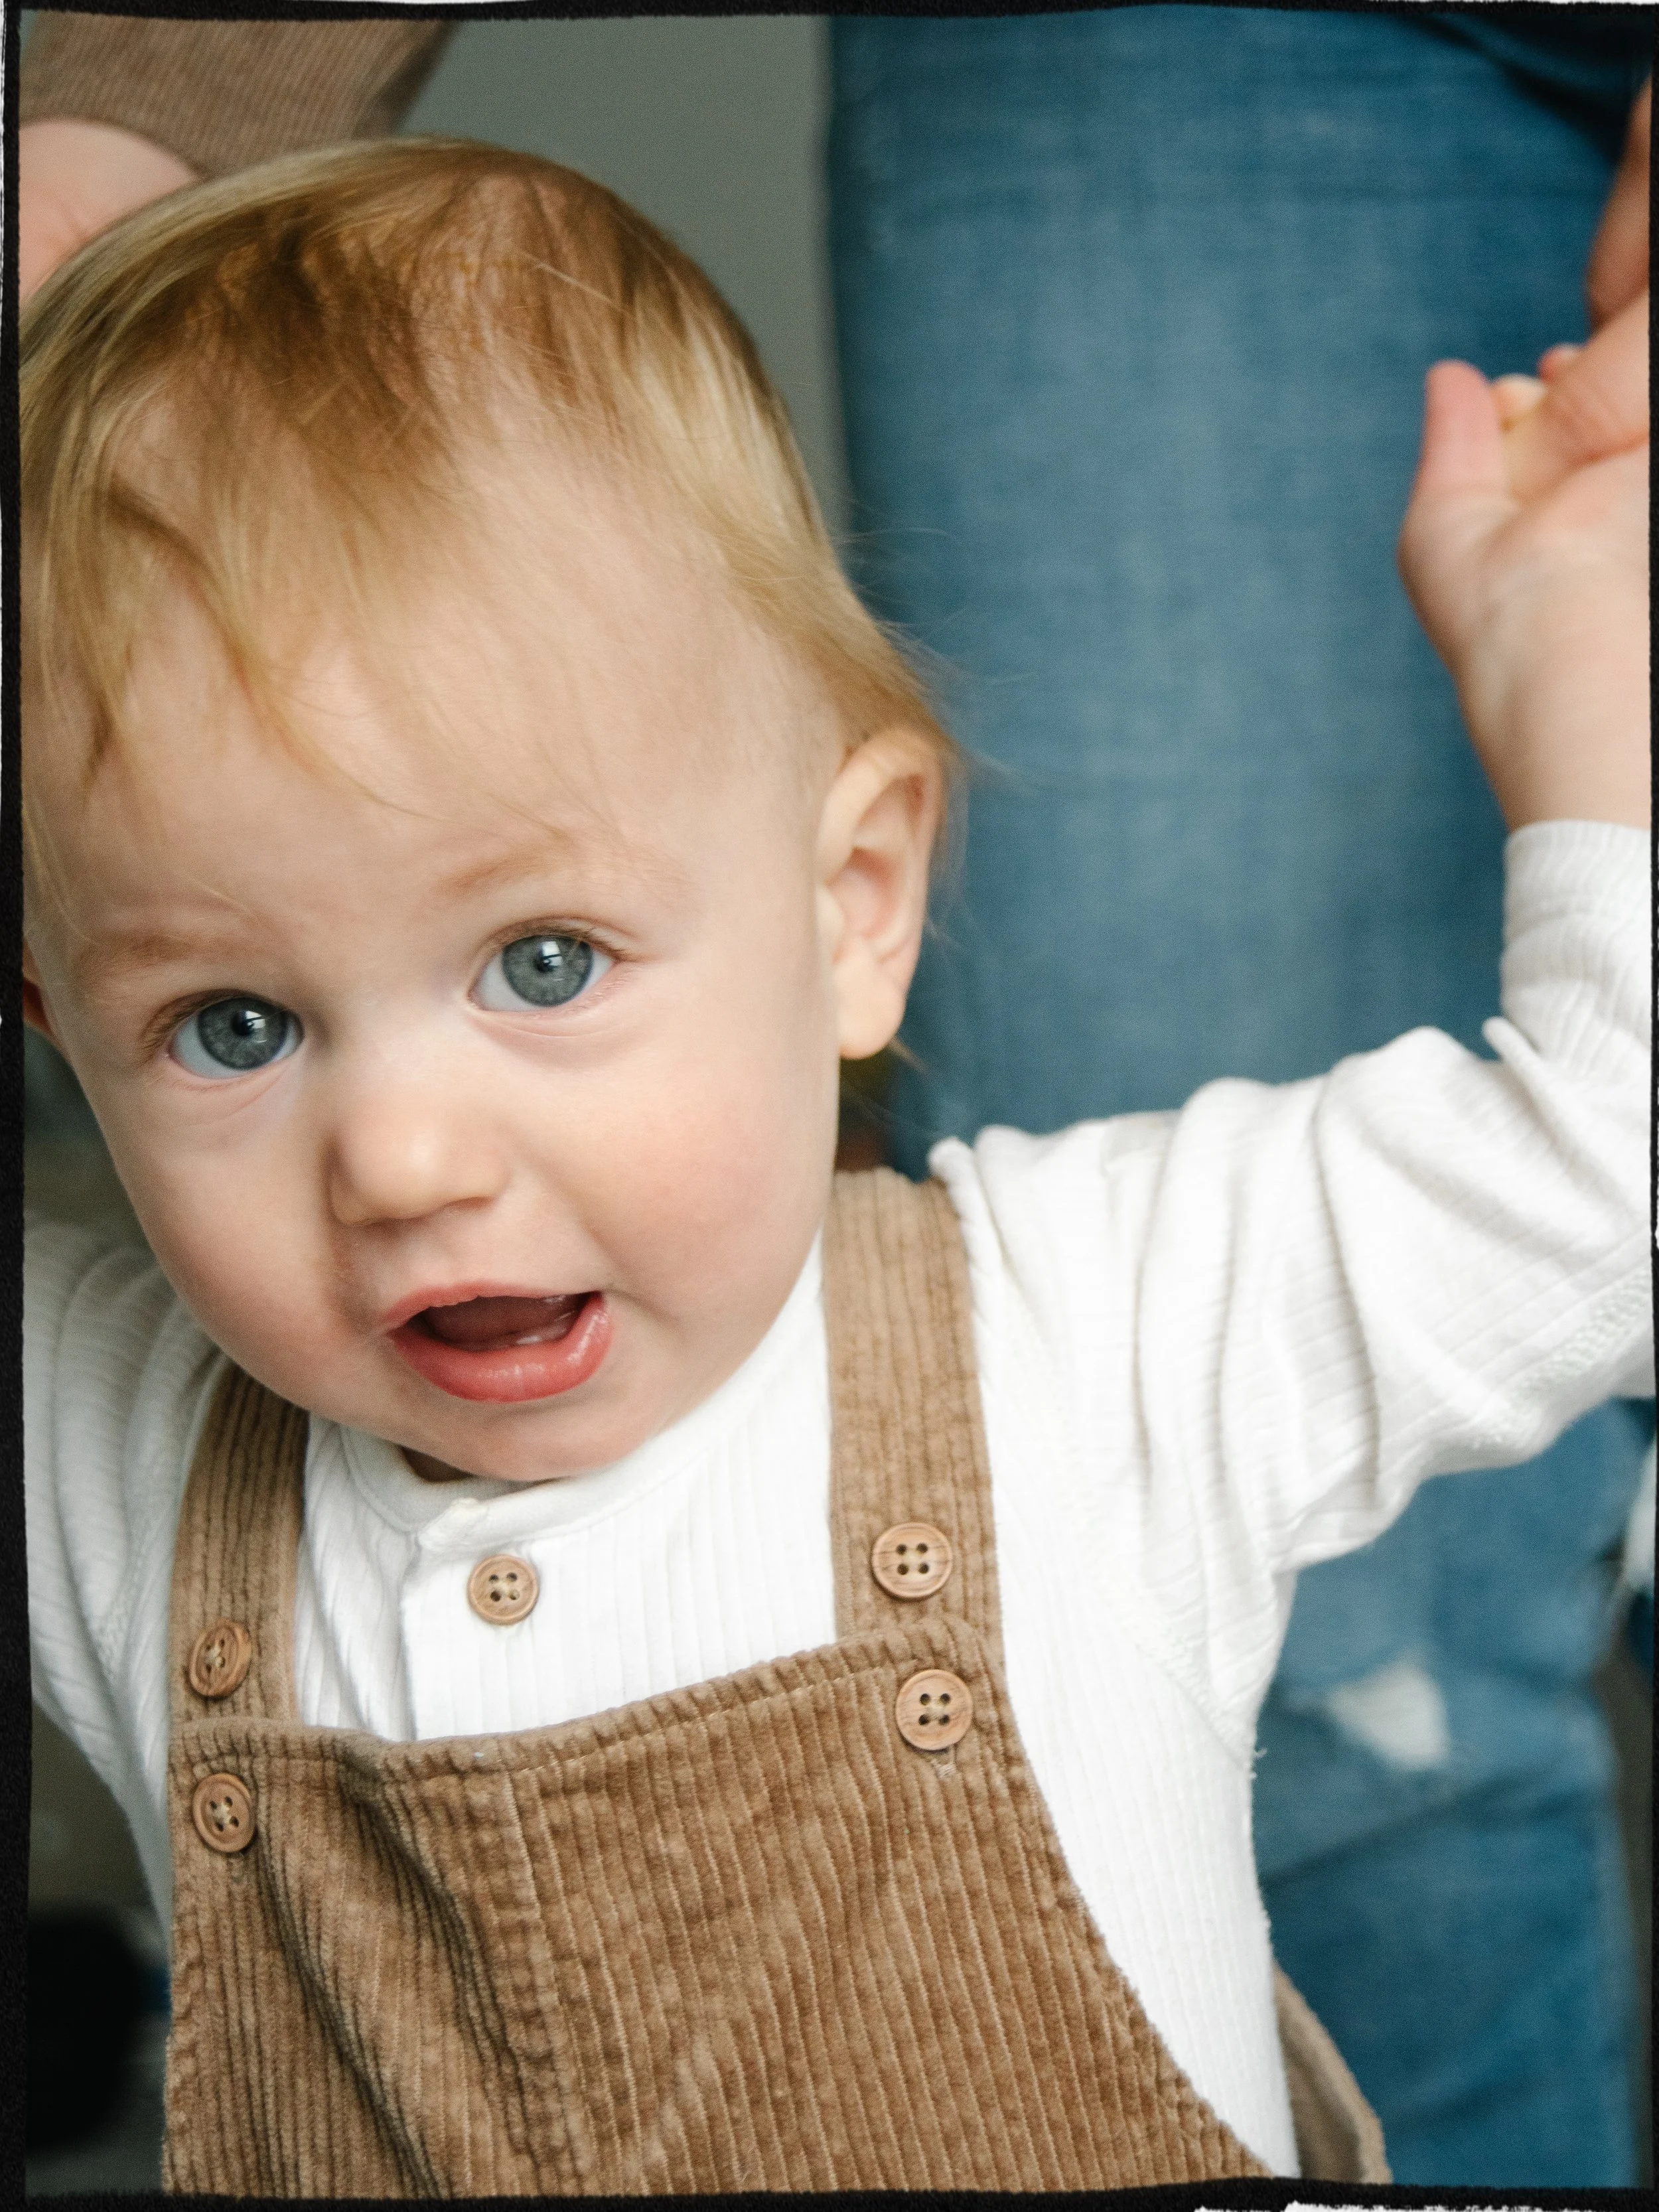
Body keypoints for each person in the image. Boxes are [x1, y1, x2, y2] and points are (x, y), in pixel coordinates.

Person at [17, 9, 1654, 2182]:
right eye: (233, 1025)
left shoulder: (1105, 1334)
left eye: (542, 964)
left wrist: (1583, 698)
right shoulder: (116, 1458)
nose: (403, 1163)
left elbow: (1596, 1170)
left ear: (855, 901)